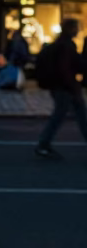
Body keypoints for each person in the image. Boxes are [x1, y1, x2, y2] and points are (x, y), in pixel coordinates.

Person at [35, 18, 87, 159]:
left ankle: (43, 144)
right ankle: (43, 144)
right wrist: (72, 86)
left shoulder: (61, 43)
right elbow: (67, 69)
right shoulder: (66, 46)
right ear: (71, 29)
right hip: (65, 87)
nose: (78, 30)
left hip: (62, 86)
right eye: (77, 28)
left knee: (77, 115)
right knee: (66, 115)